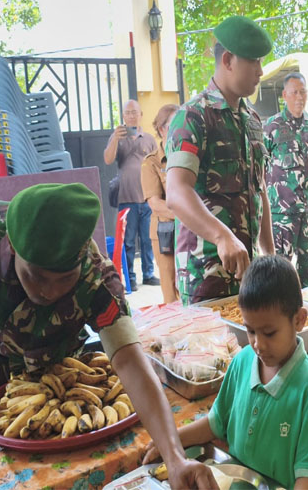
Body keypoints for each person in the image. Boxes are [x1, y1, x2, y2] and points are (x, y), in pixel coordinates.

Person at [0, 183, 216, 489]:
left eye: (64, 280)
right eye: (36, 276)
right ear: (12, 247)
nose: (48, 291)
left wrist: (175, 457)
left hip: (53, 379)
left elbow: (129, 361)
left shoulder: (97, 280)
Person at [142, 255, 308, 489]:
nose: (258, 344)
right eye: (250, 331)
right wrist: (171, 441)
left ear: (299, 320)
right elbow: (216, 423)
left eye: (269, 333)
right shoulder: (242, 361)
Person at [165, 16, 274, 304]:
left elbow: (259, 190)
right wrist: (222, 236)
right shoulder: (193, 116)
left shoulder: (251, 120)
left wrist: (272, 255)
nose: (261, 71)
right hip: (206, 275)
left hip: (249, 275)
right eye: (254, 62)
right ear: (228, 60)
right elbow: (177, 192)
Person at [264, 72, 308, 287]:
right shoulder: (271, 126)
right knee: (280, 270)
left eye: (303, 92)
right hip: (282, 212)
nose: (299, 97)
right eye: (294, 92)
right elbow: (261, 168)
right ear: (284, 95)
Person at [104, 99, 160, 288]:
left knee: (147, 239)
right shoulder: (117, 138)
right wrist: (114, 138)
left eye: (134, 112)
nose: (131, 115)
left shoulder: (150, 139)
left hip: (147, 197)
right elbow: (108, 159)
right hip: (126, 198)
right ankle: (130, 278)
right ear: (123, 116)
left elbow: (158, 165)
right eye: (127, 113)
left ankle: (149, 274)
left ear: (140, 115)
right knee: (128, 241)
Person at [141, 104, 180, 303]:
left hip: (191, 231)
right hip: (166, 232)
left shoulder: (189, 157)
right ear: (162, 129)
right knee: (171, 286)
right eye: (175, 123)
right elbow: (155, 204)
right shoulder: (151, 162)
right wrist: (189, 215)